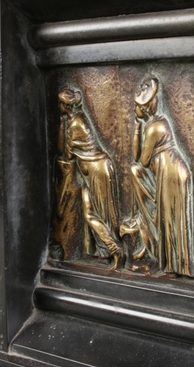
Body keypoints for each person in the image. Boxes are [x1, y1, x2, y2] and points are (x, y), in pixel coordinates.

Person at [125, 77, 194, 277]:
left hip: (171, 173)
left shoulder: (155, 127)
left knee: (172, 220)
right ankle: (167, 260)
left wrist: (140, 129)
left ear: (144, 108)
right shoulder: (151, 124)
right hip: (166, 171)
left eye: (136, 107)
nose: (134, 110)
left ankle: (175, 266)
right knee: (169, 218)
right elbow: (136, 159)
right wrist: (137, 127)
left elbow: (143, 160)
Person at [57, 89, 122, 269]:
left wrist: (63, 127)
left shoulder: (76, 123)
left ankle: (113, 249)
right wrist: (62, 124)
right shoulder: (74, 120)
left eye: (59, 104)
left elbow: (67, 154)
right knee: (91, 213)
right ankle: (105, 251)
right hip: (89, 173)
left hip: (97, 170)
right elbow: (64, 151)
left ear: (65, 105)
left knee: (99, 213)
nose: (58, 106)